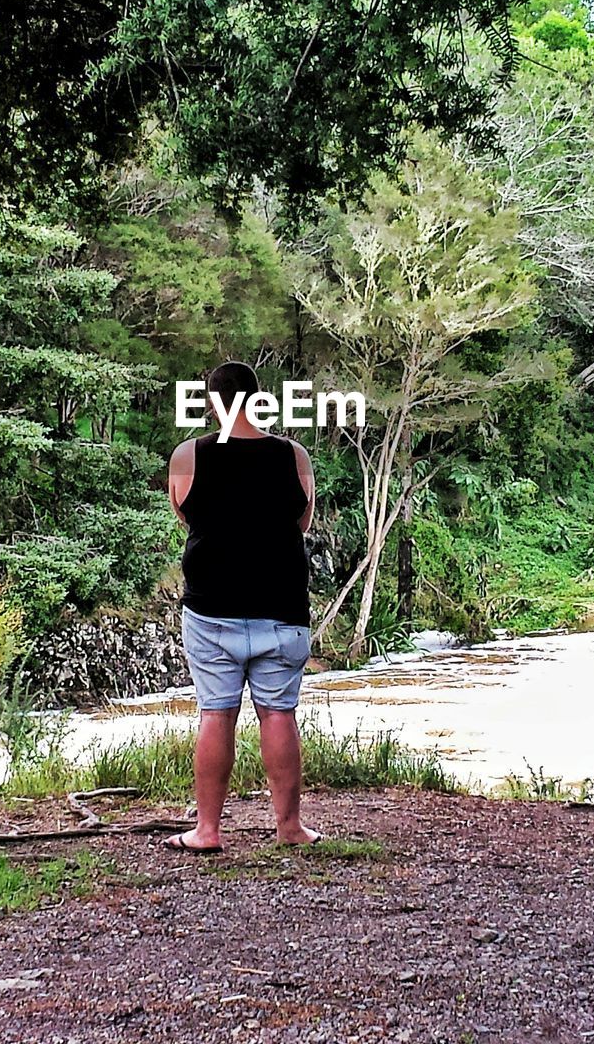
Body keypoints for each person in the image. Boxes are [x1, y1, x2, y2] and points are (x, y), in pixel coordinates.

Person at [165, 360, 321, 853]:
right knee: (278, 714)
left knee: (216, 713)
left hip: (212, 610)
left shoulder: (187, 455)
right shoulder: (294, 455)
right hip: (282, 609)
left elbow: (186, 517)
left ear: (211, 403)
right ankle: (289, 827)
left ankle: (207, 831)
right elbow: (302, 522)